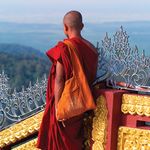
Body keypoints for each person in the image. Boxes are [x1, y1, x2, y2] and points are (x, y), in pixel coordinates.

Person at [37, 10, 98, 150]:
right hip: (81, 105)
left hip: (66, 105)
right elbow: (91, 77)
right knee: (75, 141)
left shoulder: (64, 48)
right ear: (82, 26)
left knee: (61, 143)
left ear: (65, 27)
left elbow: (59, 80)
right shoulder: (92, 49)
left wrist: (59, 108)